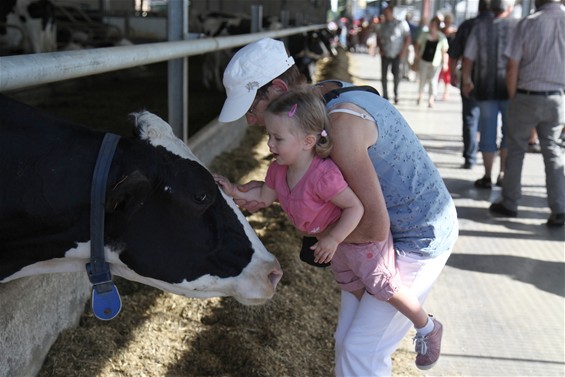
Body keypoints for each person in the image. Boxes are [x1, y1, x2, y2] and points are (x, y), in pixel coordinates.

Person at [217, 37, 458, 376]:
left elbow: (373, 224)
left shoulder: (340, 127)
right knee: (347, 340)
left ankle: (428, 327)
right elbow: (302, 182)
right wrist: (253, 191)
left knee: (361, 348)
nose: (251, 122)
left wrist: (317, 235)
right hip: (375, 240)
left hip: (416, 236)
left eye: (251, 110)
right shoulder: (320, 102)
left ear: (278, 89)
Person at [490, 0, 565, 227]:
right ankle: (560, 208)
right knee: (553, 151)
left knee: (516, 150)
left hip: (526, 94)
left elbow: (512, 66)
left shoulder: (527, 23)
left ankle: (510, 203)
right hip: (557, 97)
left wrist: (515, 97)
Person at [461, 0, 518, 189]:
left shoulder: (479, 27)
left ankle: (487, 175)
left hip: (485, 88)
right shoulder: (516, 27)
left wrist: (467, 79)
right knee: (508, 132)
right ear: (508, 8)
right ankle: (502, 174)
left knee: (487, 131)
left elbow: (468, 56)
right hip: (511, 90)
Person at [448, 0, 493, 170]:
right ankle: (489, 158)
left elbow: (454, 53)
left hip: (470, 80)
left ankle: (470, 157)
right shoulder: (501, 26)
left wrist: (453, 74)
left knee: (469, 118)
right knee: (490, 119)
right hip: (494, 82)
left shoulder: (468, 26)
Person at [375, 2, 412, 104]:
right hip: (385, 53)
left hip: (397, 53)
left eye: (387, 13)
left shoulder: (401, 23)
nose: (386, 16)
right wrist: (380, 49)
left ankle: (396, 94)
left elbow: (408, 38)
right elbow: (378, 37)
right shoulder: (382, 25)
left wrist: (403, 51)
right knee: (384, 76)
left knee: (396, 75)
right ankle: (385, 95)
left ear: (391, 13)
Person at [414, 16, 450, 108]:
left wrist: (445, 63)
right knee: (422, 79)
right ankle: (420, 96)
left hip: (435, 62)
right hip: (424, 60)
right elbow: (417, 45)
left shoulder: (441, 37)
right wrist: (417, 55)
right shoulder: (424, 34)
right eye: (432, 24)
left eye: (435, 25)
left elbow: (444, 51)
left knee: (433, 81)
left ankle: (431, 98)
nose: (433, 26)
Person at [439, 12, 457, 100]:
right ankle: (435, 91)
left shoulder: (454, 32)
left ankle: (446, 92)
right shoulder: (441, 31)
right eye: (446, 21)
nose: (447, 23)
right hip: (439, 54)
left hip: (449, 55)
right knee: (439, 73)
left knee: (447, 74)